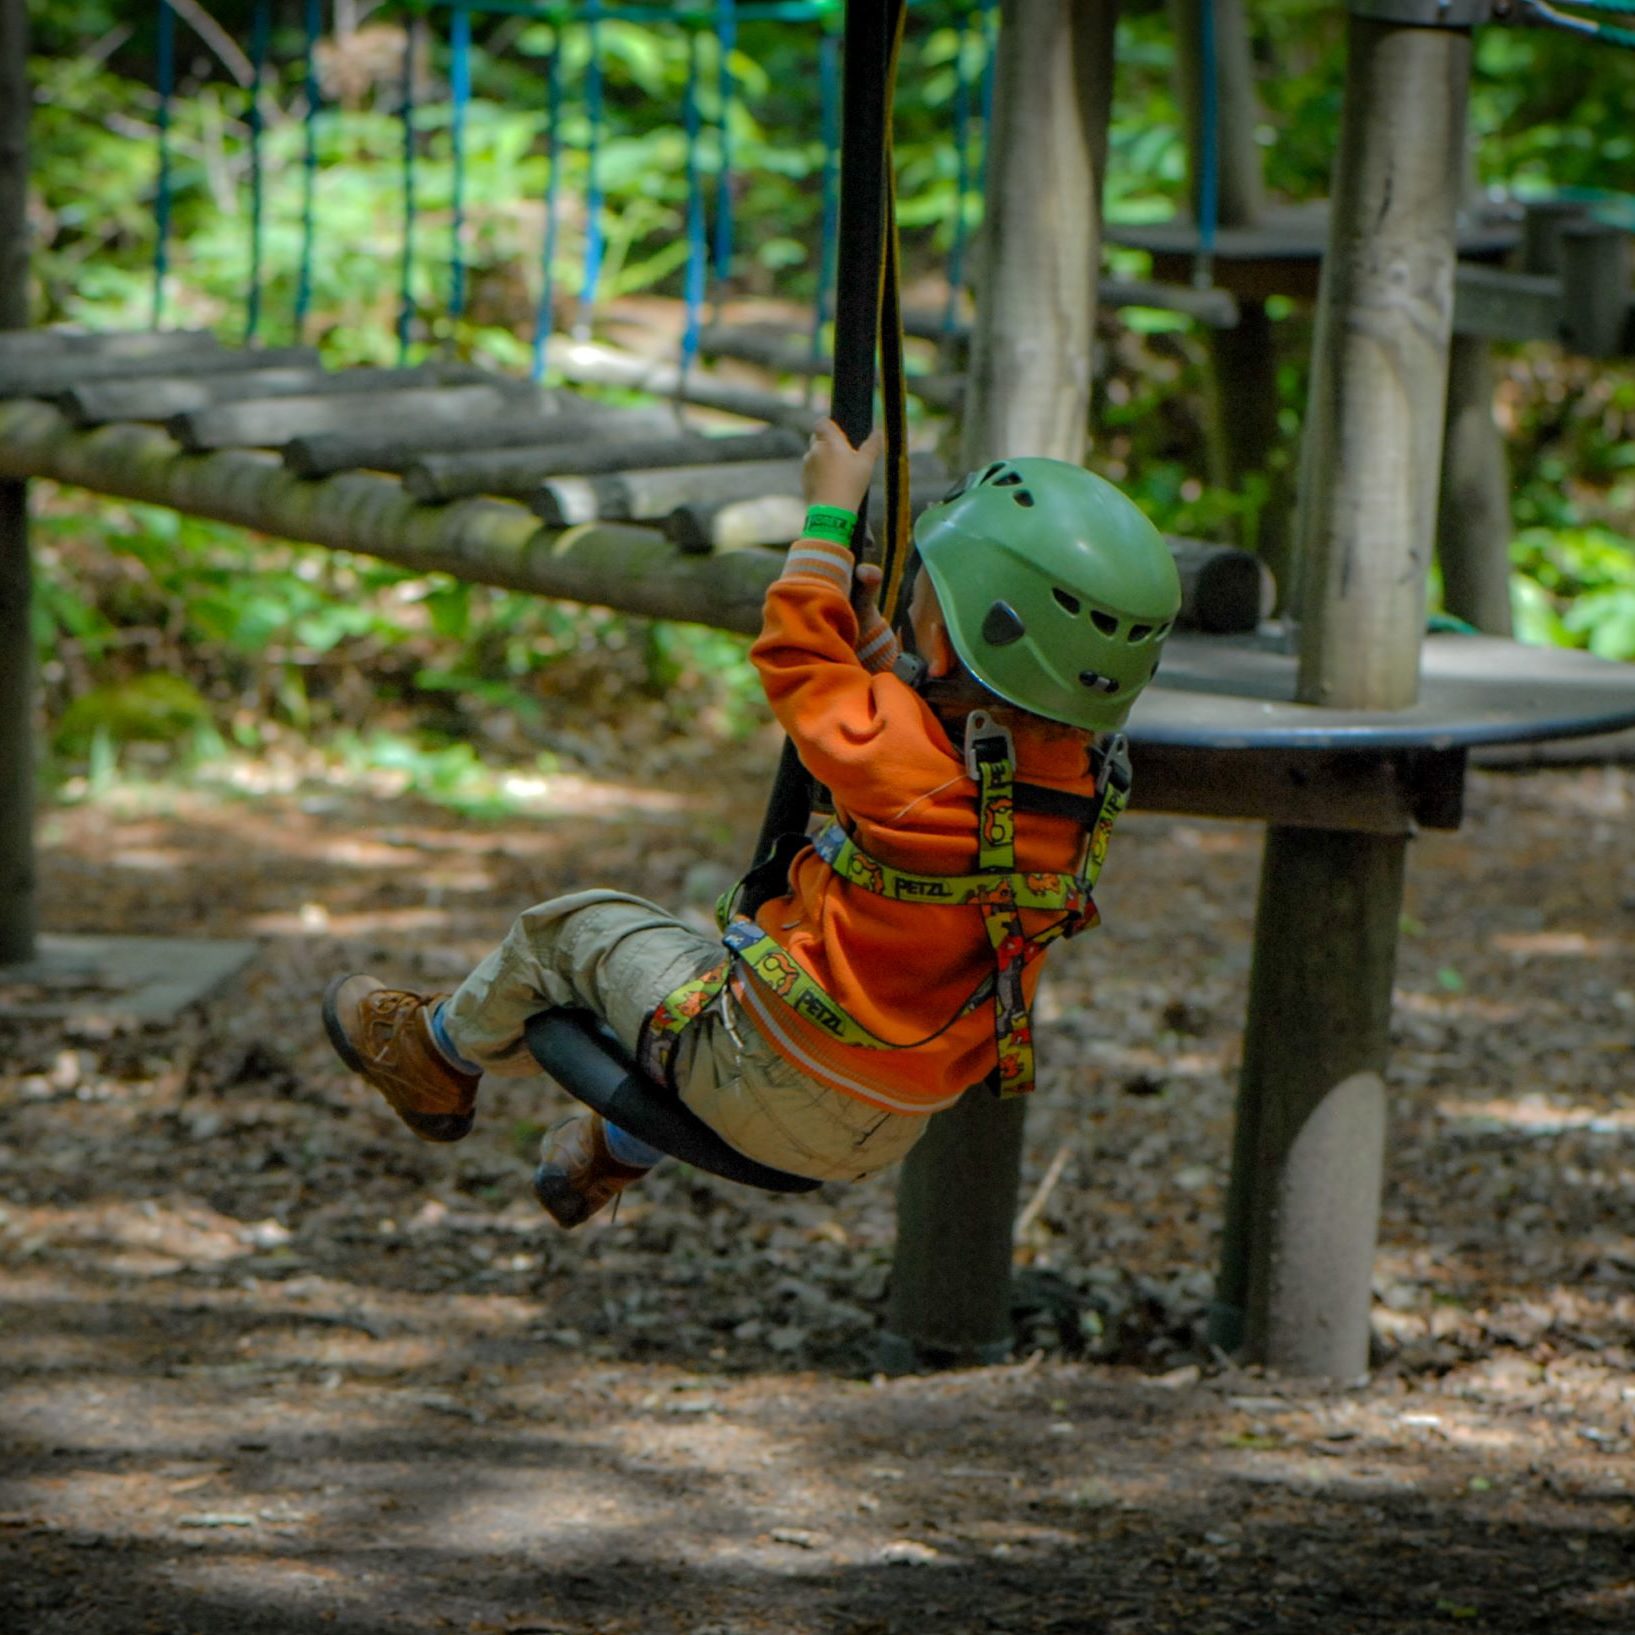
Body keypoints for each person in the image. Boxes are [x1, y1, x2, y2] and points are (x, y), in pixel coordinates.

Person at [322, 421, 1182, 1227]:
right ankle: (605, 1153)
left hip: (765, 1075)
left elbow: (797, 660)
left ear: (960, 639)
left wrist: (827, 514)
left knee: (568, 933)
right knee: (697, 996)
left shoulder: (901, 762)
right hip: (892, 1119)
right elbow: (917, 743)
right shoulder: (1076, 783)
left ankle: (435, 1055)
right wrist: (878, 636)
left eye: (928, 598)